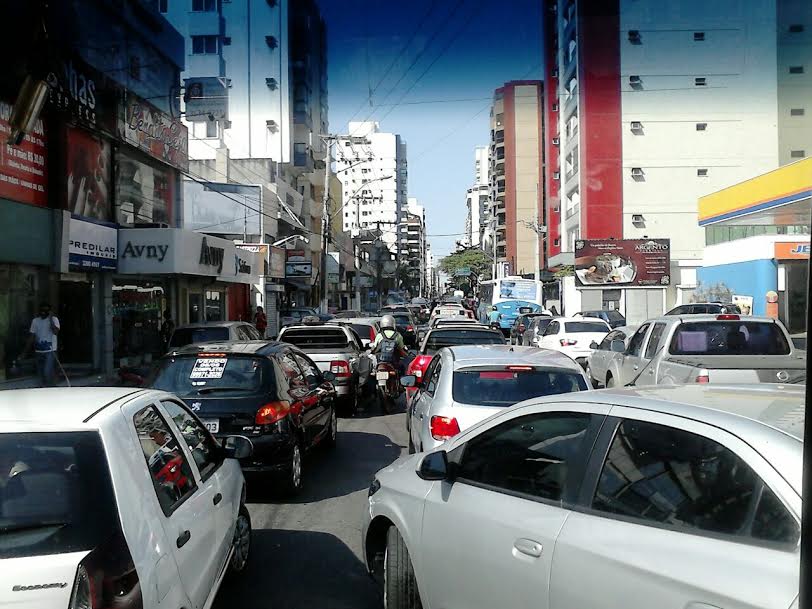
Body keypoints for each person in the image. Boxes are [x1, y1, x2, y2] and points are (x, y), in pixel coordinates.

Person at [23, 303, 60, 387]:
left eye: (46, 310)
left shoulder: (54, 319)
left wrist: (50, 319)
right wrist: (25, 352)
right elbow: (32, 336)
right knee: (40, 374)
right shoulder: (35, 321)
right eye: (42, 310)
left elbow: (55, 332)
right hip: (39, 350)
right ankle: (44, 390)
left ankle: (51, 388)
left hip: (50, 351)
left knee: (47, 372)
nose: (43, 312)